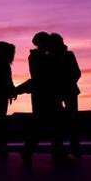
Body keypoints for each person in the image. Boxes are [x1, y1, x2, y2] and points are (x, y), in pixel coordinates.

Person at [20, 31, 62, 163]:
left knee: (45, 124)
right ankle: (30, 150)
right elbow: (41, 77)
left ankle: (30, 150)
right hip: (44, 95)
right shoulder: (39, 57)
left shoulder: (39, 56)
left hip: (45, 94)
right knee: (45, 124)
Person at [50, 33, 81, 157]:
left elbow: (77, 73)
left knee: (69, 119)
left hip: (66, 90)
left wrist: (66, 82)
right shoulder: (56, 56)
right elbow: (77, 72)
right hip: (63, 91)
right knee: (64, 119)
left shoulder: (65, 55)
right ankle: (65, 146)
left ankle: (70, 146)